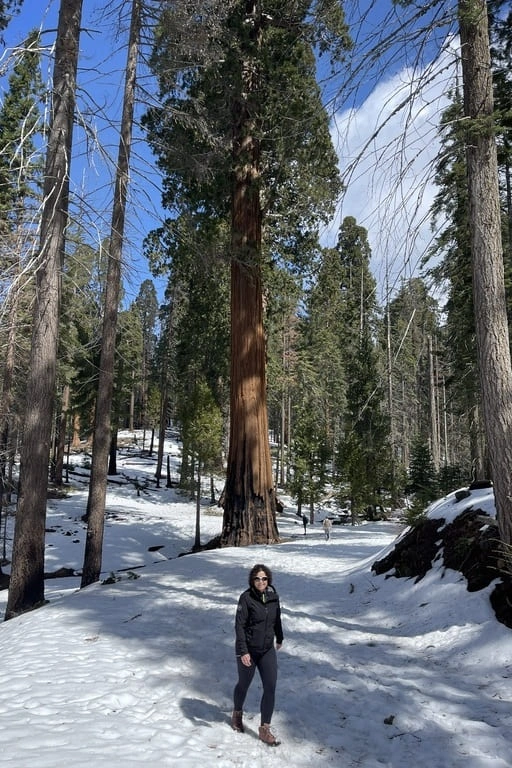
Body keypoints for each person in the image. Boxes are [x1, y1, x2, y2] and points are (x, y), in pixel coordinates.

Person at [231, 564, 284, 746]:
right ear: (252, 581)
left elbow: (277, 619)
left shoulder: (273, 597)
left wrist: (280, 638)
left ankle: (264, 729)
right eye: (257, 579)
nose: (261, 582)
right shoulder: (246, 599)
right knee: (244, 684)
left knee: (270, 686)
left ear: (268, 580)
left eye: (264, 578)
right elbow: (239, 626)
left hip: (267, 649)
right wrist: (244, 651)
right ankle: (237, 713)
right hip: (248, 650)